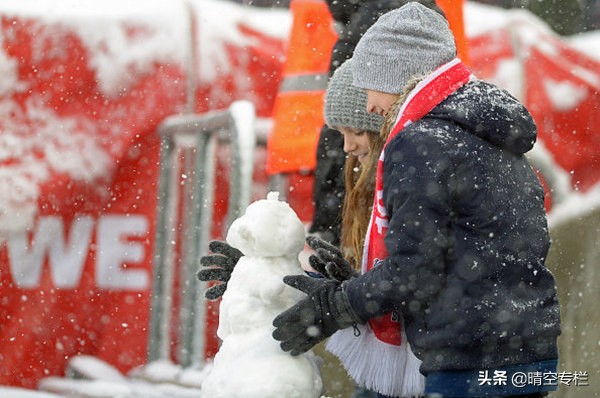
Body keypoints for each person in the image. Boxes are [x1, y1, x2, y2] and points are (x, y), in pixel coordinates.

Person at [271, 3, 562, 398]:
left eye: (370, 83)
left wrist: (337, 305)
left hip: (467, 357)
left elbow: (416, 270)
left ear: (394, 76)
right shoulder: (487, 131)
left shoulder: (421, 141)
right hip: (526, 348)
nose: (370, 104)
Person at [310, 0, 439, 246]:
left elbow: (359, 118)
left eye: (355, 132)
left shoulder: (380, 20)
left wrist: (332, 228)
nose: (348, 146)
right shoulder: (397, 17)